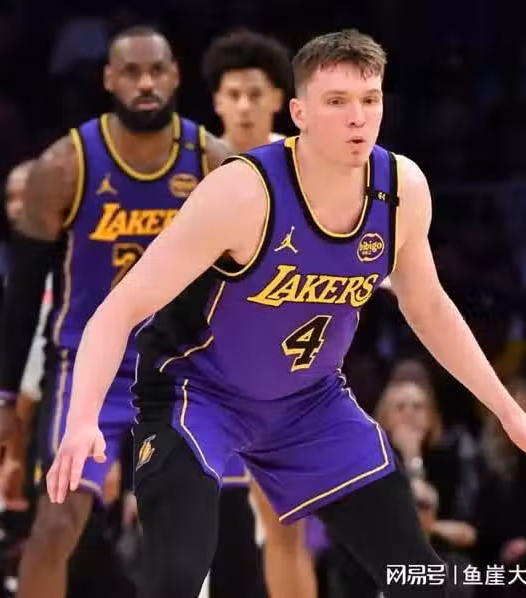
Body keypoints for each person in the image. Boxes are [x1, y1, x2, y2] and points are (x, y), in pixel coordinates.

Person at [47, 29, 526, 598]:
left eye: (370, 99)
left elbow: (428, 306)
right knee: (177, 577)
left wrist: (509, 413)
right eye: (337, 101)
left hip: (309, 402)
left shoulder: (401, 188)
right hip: (198, 394)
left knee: (418, 577)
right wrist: (81, 420)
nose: (358, 117)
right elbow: (119, 309)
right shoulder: (242, 192)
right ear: (299, 113)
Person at [0, 25, 229, 598]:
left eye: (156, 70)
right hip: (89, 367)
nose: (145, 83)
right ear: (109, 79)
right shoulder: (64, 166)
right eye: (131, 72)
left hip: (180, 368)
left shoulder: (213, 162)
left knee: (182, 530)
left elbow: (249, 277)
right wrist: (5, 401)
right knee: (56, 523)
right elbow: (24, 291)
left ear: (175, 76)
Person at [202, 29, 316, 598]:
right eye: (234, 94)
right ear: (217, 102)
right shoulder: (191, 164)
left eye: (255, 93)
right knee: (181, 519)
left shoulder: (307, 165)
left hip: (285, 365)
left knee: (283, 522)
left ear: (279, 99)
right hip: (201, 363)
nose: (245, 106)